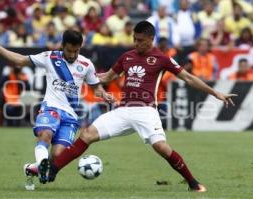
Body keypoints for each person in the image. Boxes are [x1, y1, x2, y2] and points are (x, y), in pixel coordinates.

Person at [45, 21, 237, 192]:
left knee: (161, 147)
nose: (136, 43)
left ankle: (193, 183)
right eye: (134, 39)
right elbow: (107, 77)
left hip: (146, 111)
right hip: (123, 110)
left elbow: (188, 77)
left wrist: (216, 93)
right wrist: (80, 75)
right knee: (86, 134)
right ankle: (51, 171)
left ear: (150, 39)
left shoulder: (162, 58)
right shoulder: (127, 56)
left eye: (139, 40)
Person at [0, 30, 114, 190]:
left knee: (58, 156)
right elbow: (21, 60)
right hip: (51, 108)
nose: (72, 55)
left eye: (76, 51)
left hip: (71, 117)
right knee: (45, 134)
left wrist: (105, 94)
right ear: (62, 46)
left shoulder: (86, 64)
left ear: (80, 47)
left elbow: (96, 87)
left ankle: (33, 168)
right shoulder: (49, 57)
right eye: (69, 50)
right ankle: (41, 165)